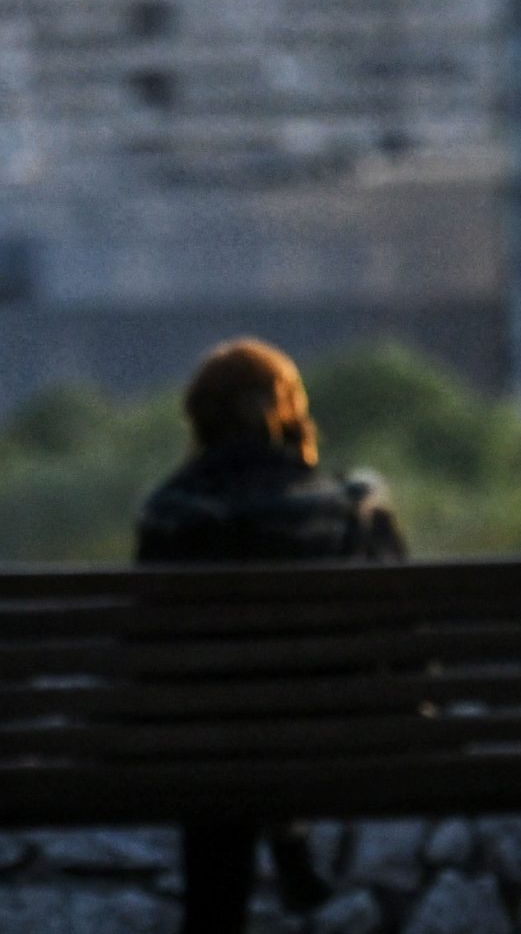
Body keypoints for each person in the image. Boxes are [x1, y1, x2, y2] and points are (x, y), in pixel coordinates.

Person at [134, 338, 405, 934]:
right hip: (331, 739)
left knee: (219, 744)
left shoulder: (171, 513)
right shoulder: (340, 510)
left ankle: (226, 909)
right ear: (284, 411)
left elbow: (152, 654)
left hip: (208, 753)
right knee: (261, 729)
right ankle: (290, 839)